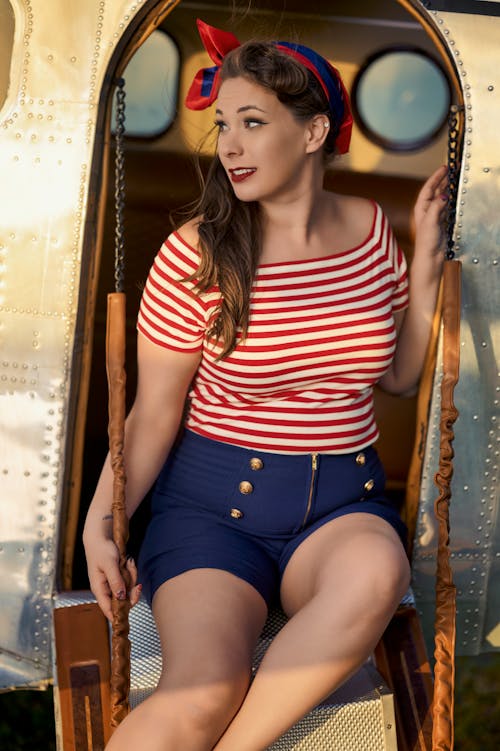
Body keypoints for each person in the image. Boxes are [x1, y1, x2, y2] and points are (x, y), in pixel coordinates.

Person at [83, 19, 448, 751]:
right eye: (223, 124)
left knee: (381, 567)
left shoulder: (376, 232)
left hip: (342, 504)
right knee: (203, 691)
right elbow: (155, 413)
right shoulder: (196, 254)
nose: (231, 145)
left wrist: (427, 270)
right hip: (214, 512)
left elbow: (401, 378)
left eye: (254, 122)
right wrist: (102, 520)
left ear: (314, 133)